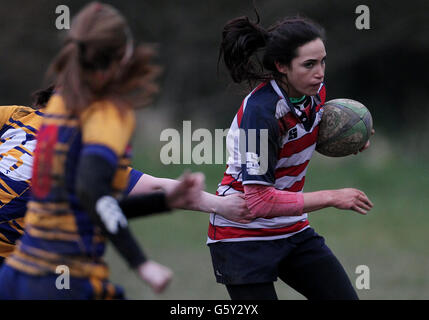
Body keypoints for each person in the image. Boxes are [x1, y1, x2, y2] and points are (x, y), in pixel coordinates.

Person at [0, 2, 250, 300]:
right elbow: (94, 196)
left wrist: (165, 200)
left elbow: (87, 205)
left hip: (15, 275)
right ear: (122, 57)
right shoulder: (104, 117)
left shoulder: (52, 116)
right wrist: (141, 263)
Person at [207, 13, 374, 300]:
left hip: (291, 229)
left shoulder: (315, 91)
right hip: (242, 236)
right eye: (309, 64)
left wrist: (349, 136)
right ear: (281, 66)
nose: (320, 72)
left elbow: (307, 128)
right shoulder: (260, 114)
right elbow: (259, 201)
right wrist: (333, 197)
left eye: (323, 61)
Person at [0, 87, 251, 267]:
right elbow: (156, 188)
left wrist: (222, 205)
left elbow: (155, 188)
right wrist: (221, 205)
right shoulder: (19, 117)